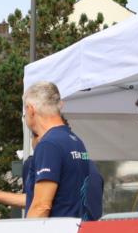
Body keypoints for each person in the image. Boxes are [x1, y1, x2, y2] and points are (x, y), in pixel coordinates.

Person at [21, 81, 94, 219]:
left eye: (25, 112)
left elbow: (41, 206)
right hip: (74, 231)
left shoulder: (48, 144)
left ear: (30, 110)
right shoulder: (75, 141)